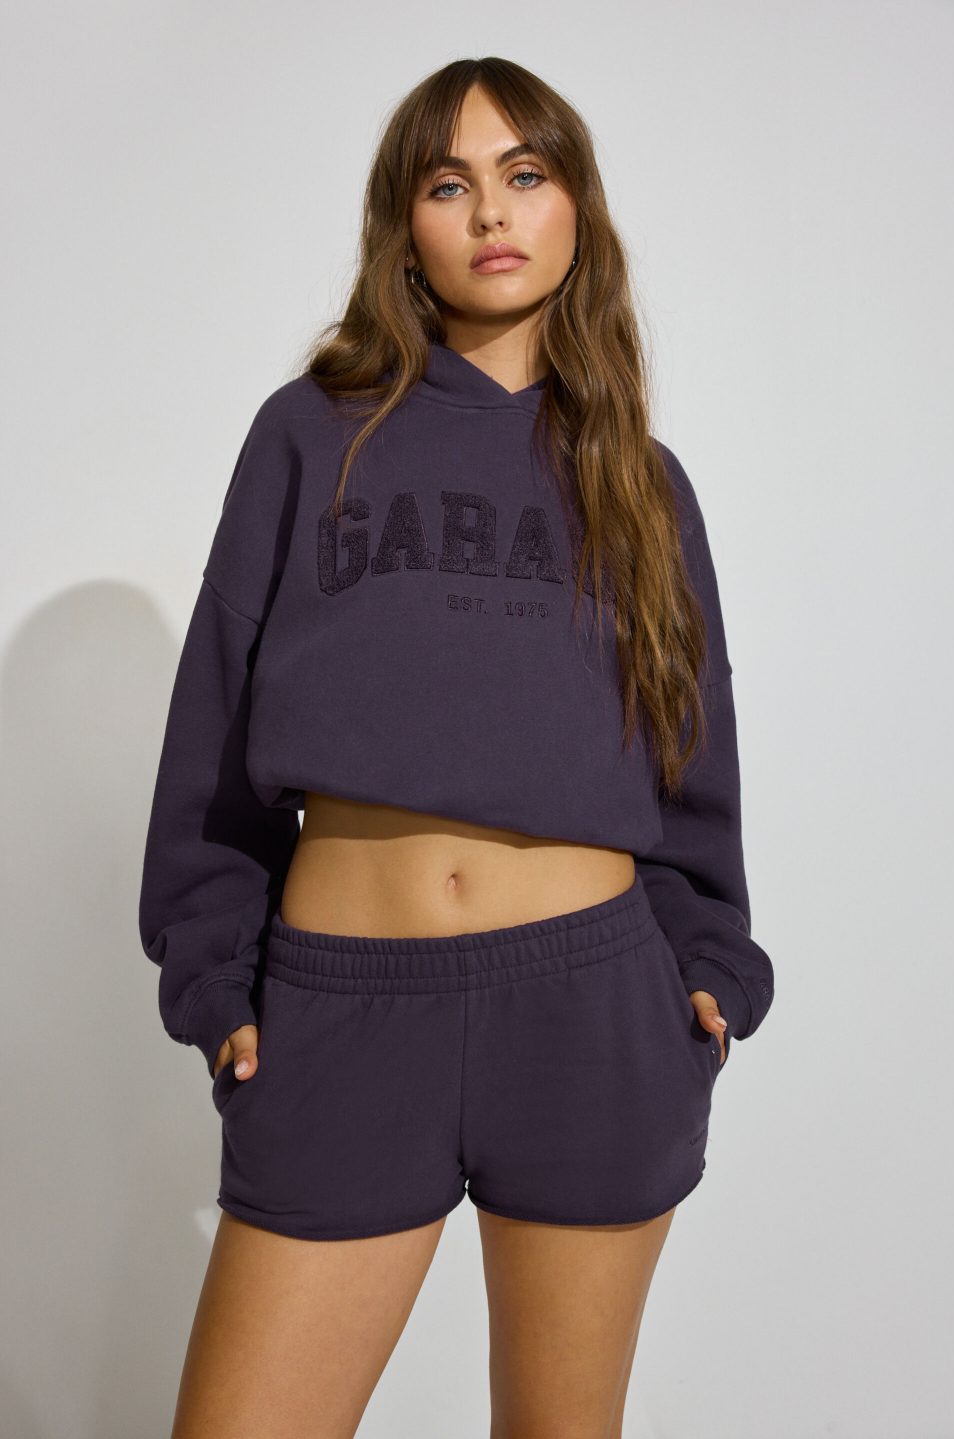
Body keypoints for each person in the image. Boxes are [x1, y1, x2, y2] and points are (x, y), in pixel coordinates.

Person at [138, 55, 775, 1439]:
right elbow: (213, 736)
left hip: (594, 1014)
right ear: (405, 223)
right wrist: (217, 978)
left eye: (524, 174)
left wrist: (708, 973)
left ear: (575, 206)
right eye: (450, 183)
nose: (492, 211)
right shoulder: (310, 436)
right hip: (342, 1012)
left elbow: (694, 766)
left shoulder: (641, 483)